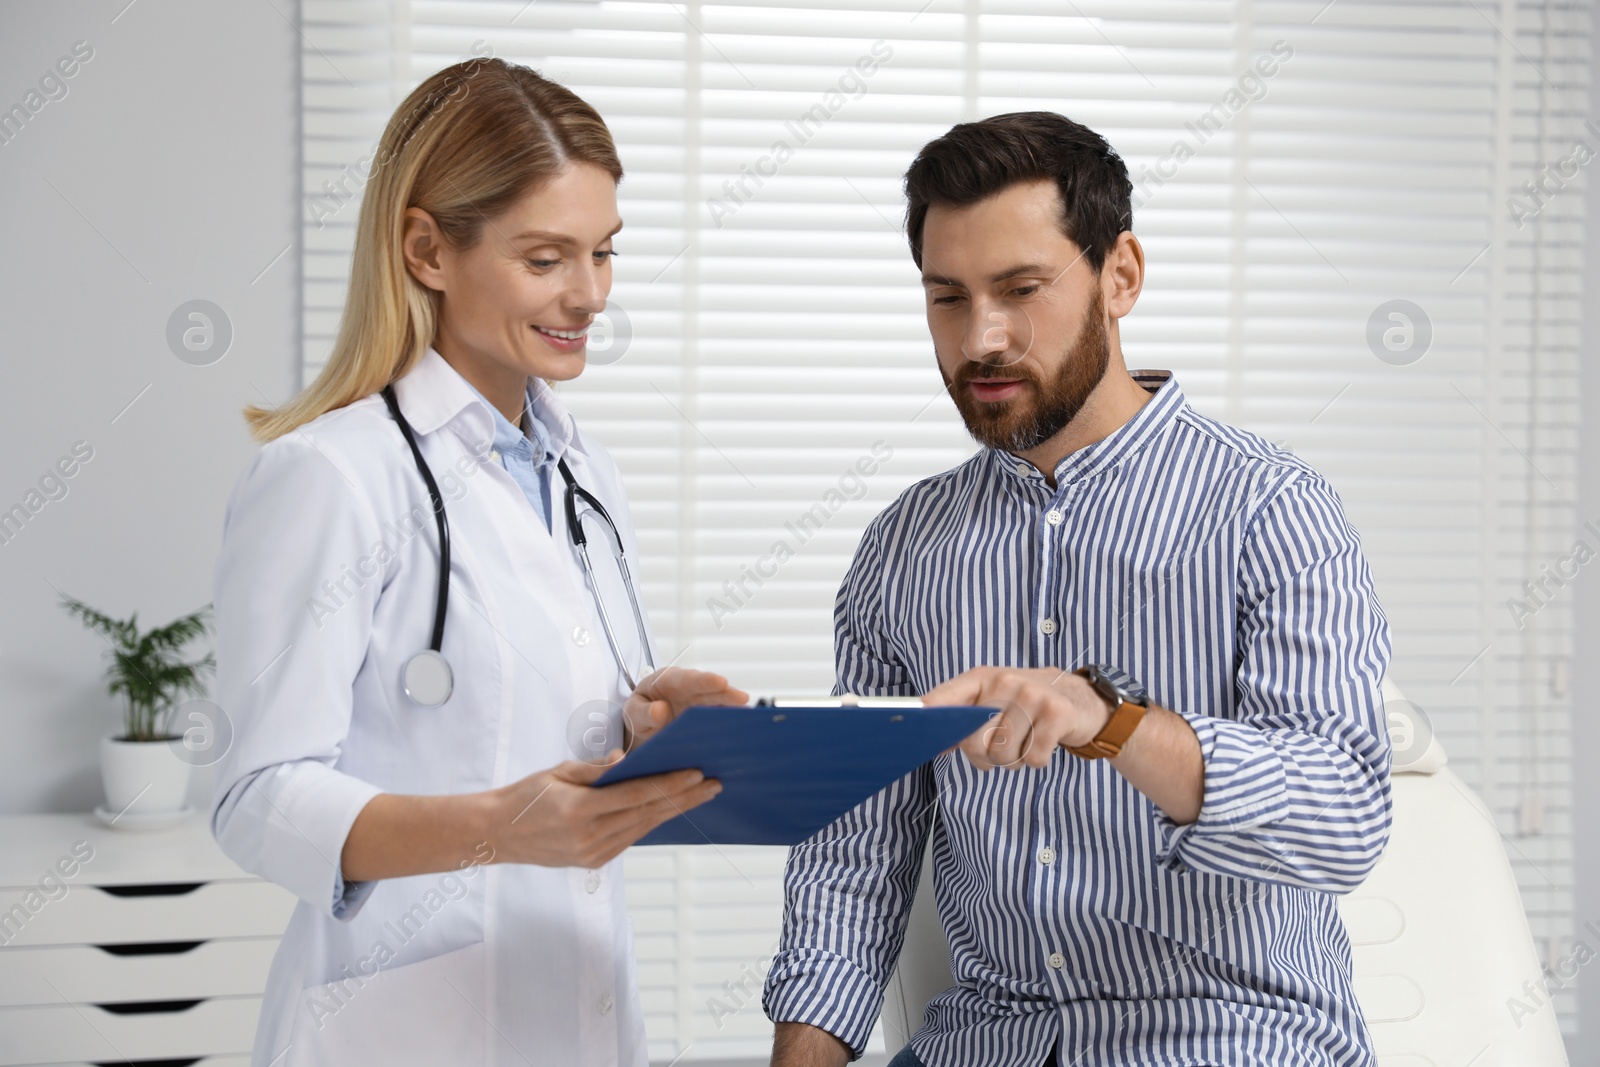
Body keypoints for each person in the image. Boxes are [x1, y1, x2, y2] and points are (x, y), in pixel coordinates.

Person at [763, 112, 1392, 1067]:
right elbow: (854, 859)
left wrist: (1117, 725)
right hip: (988, 1045)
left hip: (1229, 1036)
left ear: (1121, 274)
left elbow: (1342, 819)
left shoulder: (1272, 508)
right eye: (947, 298)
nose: (982, 339)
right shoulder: (902, 551)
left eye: (1021, 289)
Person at [210, 58, 744, 1067]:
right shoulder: (330, 474)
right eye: (546, 258)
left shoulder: (582, 470)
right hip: (406, 1029)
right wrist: (496, 827)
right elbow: (257, 799)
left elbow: (512, 708)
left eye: (603, 253)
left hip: (578, 1005)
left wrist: (640, 714)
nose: (587, 294)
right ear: (426, 249)